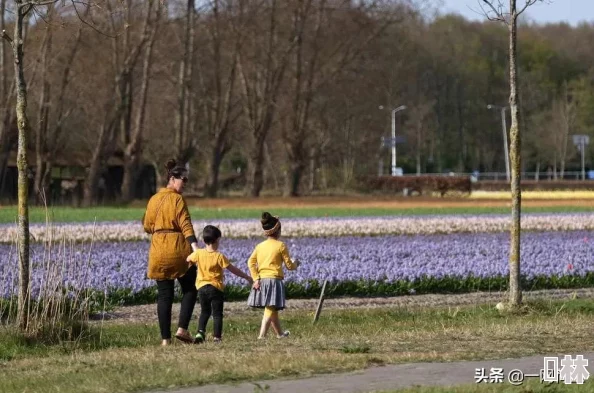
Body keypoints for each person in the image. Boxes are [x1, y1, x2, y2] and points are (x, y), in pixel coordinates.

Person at [143, 159, 199, 346]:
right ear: (173, 179)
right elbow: (186, 225)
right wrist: (195, 247)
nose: (185, 184)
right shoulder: (177, 200)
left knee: (164, 295)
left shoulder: (153, 199)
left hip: (158, 251)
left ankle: (165, 340)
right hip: (177, 250)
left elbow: (147, 226)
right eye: (184, 180)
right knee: (191, 287)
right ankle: (182, 329)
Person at [187, 225, 252, 343]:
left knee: (204, 311)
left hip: (201, 287)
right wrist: (246, 277)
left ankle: (200, 333)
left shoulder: (199, 253)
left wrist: (192, 265)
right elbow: (232, 269)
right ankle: (217, 337)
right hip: (216, 288)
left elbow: (188, 260)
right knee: (217, 314)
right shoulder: (219, 256)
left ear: (203, 240)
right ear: (217, 240)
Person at [247, 212, 300, 339]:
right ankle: (262, 335)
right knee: (270, 308)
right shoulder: (281, 245)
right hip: (274, 280)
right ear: (278, 231)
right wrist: (296, 264)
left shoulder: (260, 246)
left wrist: (255, 278)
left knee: (272, 308)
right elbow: (289, 266)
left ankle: (280, 334)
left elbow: (250, 262)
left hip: (262, 280)